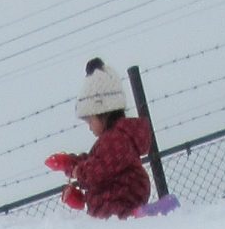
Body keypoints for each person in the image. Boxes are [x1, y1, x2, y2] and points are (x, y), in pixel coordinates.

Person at [48, 59, 153, 219]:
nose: (89, 127)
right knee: (101, 206)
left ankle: (139, 216)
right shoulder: (112, 139)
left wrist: (79, 172)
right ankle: (130, 216)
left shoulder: (116, 140)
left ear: (104, 113)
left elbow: (97, 169)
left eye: (90, 121)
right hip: (117, 190)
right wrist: (70, 163)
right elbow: (95, 160)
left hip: (123, 195)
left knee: (109, 211)